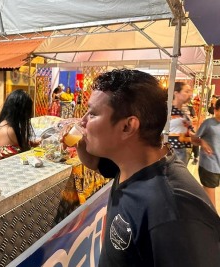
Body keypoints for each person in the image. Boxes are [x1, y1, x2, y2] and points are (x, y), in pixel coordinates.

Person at [67, 69, 220, 266]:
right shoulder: (131, 165)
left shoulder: (174, 213)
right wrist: (86, 148)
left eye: (93, 114)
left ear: (128, 126)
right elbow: (101, 166)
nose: (82, 121)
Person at [0, 89, 36, 161]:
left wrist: (31, 144)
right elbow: (12, 162)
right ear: (21, 111)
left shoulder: (10, 125)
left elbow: (16, 146)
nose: (31, 114)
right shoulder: (7, 132)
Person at [193, 99, 220, 208]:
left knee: (206, 195)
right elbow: (194, 139)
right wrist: (202, 142)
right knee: (211, 198)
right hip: (210, 165)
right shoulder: (208, 123)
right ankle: (214, 221)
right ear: (215, 110)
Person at [168, 81, 194, 164]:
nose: (190, 94)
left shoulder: (184, 110)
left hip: (182, 149)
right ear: (176, 93)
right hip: (172, 151)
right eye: (186, 91)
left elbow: (188, 130)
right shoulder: (167, 109)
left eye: (190, 91)